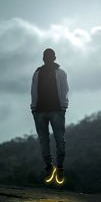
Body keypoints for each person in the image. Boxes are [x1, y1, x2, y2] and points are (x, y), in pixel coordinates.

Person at [30, 48, 69, 185]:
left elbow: (64, 90)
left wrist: (63, 107)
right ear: (43, 58)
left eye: (49, 56)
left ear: (54, 57)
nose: (47, 58)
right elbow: (33, 90)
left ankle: (60, 167)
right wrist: (33, 108)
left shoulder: (61, 73)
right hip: (40, 110)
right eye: (45, 56)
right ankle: (49, 167)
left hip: (57, 110)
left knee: (59, 139)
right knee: (43, 140)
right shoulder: (37, 73)